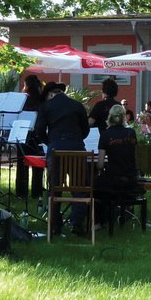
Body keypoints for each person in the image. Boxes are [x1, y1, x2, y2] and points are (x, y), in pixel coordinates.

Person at [33, 82, 90, 235]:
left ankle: (54, 225)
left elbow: (39, 130)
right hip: (76, 149)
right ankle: (76, 222)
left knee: (54, 188)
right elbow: (85, 129)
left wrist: (50, 142)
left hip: (56, 150)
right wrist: (76, 140)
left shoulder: (46, 107)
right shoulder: (77, 105)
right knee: (79, 187)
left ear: (50, 95)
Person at [95, 103, 141, 226]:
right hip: (131, 180)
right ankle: (124, 213)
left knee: (94, 186)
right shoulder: (131, 132)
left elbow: (100, 165)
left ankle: (99, 221)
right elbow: (135, 157)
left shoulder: (105, 135)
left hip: (113, 180)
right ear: (123, 117)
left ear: (110, 117)